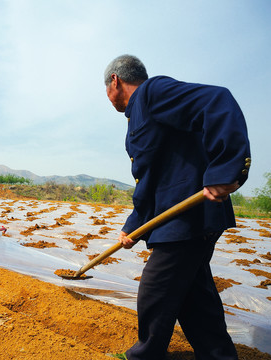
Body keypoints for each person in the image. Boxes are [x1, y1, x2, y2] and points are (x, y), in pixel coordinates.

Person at [103, 55, 251, 360]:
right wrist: (132, 225)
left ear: (115, 81)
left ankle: (143, 356)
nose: (107, 97)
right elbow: (152, 182)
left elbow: (217, 100)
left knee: (155, 292)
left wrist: (225, 169)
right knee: (193, 297)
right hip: (179, 220)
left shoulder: (153, 93)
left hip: (188, 219)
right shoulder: (138, 117)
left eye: (106, 89)